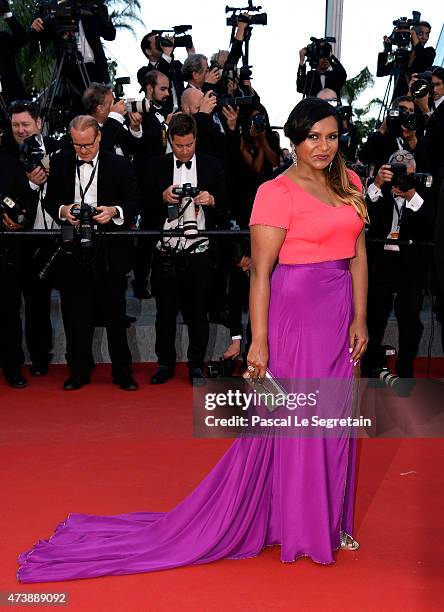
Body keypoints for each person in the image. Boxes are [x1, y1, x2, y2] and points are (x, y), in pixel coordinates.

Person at [17, 99, 368, 583]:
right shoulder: (275, 190)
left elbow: (359, 253)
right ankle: (303, 525)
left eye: (331, 136)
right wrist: (258, 341)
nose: (324, 147)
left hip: (338, 315)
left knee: (334, 415)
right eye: (313, 137)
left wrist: (362, 317)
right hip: (296, 316)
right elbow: (260, 274)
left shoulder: (349, 184)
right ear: (294, 140)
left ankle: (331, 518)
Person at [42, 115, 139, 392]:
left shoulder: (119, 164)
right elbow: (50, 201)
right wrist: (64, 212)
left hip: (109, 249)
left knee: (115, 316)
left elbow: (134, 200)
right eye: (77, 145)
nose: (82, 151)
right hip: (73, 249)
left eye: (87, 145)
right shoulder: (60, 162)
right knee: (75, 315)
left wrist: (114, 212)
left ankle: (123, 373)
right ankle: (78, 371)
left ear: (99, 138)